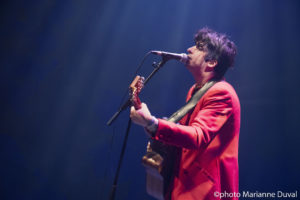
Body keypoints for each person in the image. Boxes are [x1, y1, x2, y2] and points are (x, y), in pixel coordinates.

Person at [130, 27, 240, 200]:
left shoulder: (222, 92)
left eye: (198, 47)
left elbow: (198, 136)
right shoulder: (196, 90)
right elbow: (184, 133)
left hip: (205, 191)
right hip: (184, 186)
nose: (189, 49)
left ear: (211, 62)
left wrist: (153, 123)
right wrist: (152, 125)